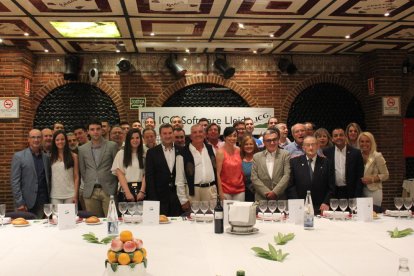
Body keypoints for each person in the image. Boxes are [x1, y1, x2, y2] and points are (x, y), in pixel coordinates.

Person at [78, 119, 118, 217]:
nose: (95, 132)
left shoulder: (112, 146)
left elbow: (116, 167)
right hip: (91, 190)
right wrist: (89, 181)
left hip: (108, 189)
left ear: (102, 130)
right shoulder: (82, 149)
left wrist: (114, 186)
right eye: (92, 129)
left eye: (98, 129)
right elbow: (83, 170)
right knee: (94, 222)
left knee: (111, 220)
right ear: (88, 132)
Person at [287, 136, 335, 214]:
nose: (311, 147)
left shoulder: (327, 163)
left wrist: (326, 202)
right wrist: (297, 203)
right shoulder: (294, 162)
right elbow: (291, 185)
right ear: (303, 147)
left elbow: (331, 186)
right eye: (308, 145)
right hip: (300, 206)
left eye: (313, 144)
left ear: (318, 146)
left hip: (321, 206)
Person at [175, 124, 217, 212]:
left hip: (210, 190)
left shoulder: (210, 148)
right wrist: (183, 200)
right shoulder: (182, 153)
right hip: (193, 192)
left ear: (205, 134)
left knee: (210, 220)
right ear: (190, 136)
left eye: (200, 132)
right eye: (195, 132)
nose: (198, 134)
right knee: (194, 221)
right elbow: (179, 179)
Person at [10, 129, 51, 218]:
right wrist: (20, 202)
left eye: (38, 137)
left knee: (40, 228)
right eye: (33, 137)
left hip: (43, 201)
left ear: (42, 139)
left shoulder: (46, 157)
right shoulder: (19, 156)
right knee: (25, 229)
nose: (36, 140)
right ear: (28, 139)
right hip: (25, 203)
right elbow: (15, 182)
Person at [145, 123, 182, 216]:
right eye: (165, 133)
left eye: (170, 133)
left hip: (178, 198)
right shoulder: (151, 152)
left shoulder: (182, 150)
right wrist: (153, 199)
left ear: (173, 134)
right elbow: (149, 177)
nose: (168, 136)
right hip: (159, 198)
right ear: (160, 135)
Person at [323, 128, 364, 199]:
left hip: (351, 192)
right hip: (333, 192)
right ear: (332, 139)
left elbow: (360, 175)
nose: (338, 137)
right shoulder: (327, 152)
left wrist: (357, 196)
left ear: (345, 137)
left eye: (341, 135)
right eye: (335, 136)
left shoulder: (356, 153)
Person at [251, 128, 290, 200]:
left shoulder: (285, 154)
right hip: (261, 197)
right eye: (268, 140)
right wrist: (266, 192)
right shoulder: (256, 156)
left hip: (280, 197)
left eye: (274, 139)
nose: (272, 143)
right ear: (264, 142)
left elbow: (287, 175)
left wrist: (275, 192)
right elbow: (254, 178)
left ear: (278, 140)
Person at [111, 128, 146, 202]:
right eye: (132, 138)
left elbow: (146, 175)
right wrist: (127, 193)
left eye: (137, 138)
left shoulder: (145, 153)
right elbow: (120, 174)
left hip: (142, 190)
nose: (135, 140)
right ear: (128, 140)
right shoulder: (121, 154)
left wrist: (142, 191)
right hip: (125, 189)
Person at [358, 132, 389, 206]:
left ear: (372, 143)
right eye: (362, 141)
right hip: (360, 190)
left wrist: (372, 179)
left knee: (374, 214)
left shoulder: (377, 156)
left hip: (374, 190)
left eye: (367, 141)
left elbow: (386, 175)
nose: (364, 144)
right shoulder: (357, 155)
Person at [50, 130, 79, 204]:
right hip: (55, 195)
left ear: (66, 140)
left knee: (69, 216)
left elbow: (76, 177)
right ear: (54, 142)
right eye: (57, 140)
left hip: (70, 194)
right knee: (55, 216)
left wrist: (75, 195)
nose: (60, 142)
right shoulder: (50, 157)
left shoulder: (73, 156)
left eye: (62, 139)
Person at [216, 127, 245, 201]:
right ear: (224, 138)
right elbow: (218, 174)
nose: (232, 138)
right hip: (225, 190)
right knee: (227, 212)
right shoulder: (220, 152)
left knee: (240, 212)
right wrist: (220, 192)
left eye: (234, 136)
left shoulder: (239, 150)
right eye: (229, 136)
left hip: (240, 190)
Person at [240, 135, 259, 202]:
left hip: (257, 192)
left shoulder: (259, 158)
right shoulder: (239, 159)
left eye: (251, 144)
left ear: (254, 146)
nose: (249, 146)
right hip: (242, 192)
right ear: (243, 146)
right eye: (246, 144)